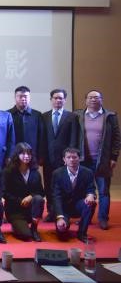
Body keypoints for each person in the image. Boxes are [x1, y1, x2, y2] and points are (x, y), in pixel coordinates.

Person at [74, 90, 120, 230]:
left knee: (103, 191)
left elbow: (117, 138)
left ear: (101, 100)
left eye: (97, 97)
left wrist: (114, 157)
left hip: (103, 161)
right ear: (86, 100)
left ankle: (103, 219)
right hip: (83, 160)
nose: (93, 99)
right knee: (84, 191)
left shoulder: (110, 116)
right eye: (90, 97)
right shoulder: (78, 115)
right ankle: (86, 217)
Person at [41, 89, 80, 222]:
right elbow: (42, 138)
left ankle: (63, 212)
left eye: (61, 98)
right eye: (55, 98)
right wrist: (42, 156)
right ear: (51, 99)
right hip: (48, 158)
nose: (58, 100)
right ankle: (51, 211)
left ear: (65, 100)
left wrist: (70, 157)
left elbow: (73, 139)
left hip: (65, 159)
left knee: (63, 185)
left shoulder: (72, 117)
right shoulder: (44, 116)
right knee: (49, 185)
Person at [52, 147, 97, 243]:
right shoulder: (57, 173)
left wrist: (90, 195)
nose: (71, 160)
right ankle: (63, 226)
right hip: (63, 207)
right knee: (62, 235)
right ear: (64, 160)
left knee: (90, 204)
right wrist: (59, 217)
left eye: (74, 157)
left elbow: (91, 188)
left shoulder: (88, 172)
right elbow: (56, 196)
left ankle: (82, 233)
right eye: (68, 157)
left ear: (79, 158)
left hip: (78, 205)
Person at [3, 142, 45, 242]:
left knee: (38, 199)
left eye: (29, 153)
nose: (26, 156)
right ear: (17, 155)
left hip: (31, 209)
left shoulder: (35, 172)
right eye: (23, 153)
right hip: (15, 210)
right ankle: (17, 226)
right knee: (26, 235)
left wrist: (31, 196)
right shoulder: (9, 171)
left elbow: (41, 192)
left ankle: (34, 228)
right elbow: (5, 193)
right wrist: (20, 201)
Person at [8, 86, 46, 162]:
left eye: (25, 96)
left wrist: (41, 156)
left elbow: (41, 137)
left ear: (29, 98)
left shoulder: (37, 115)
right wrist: (8, 156)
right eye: (20, 96)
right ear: (15, 97)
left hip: (32, 155)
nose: (23, 99)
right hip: (13, 156)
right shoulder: (7, 114)